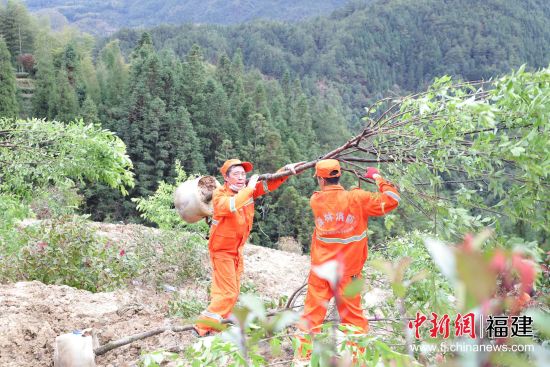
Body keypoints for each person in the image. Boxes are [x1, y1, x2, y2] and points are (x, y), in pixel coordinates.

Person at [297, 159, 400, 356]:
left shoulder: (316, 200)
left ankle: (302, 358)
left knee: (311, 317)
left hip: (321, 272)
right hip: (348, 274)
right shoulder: (357, 198)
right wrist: (377, 177)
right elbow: (392, 199)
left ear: (320, 179)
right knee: (353, 321)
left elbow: (335, 200)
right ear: (339, 176)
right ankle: (356, 359)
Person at [194, 158, 300, 336]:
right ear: (226, 178)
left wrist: (287, 170)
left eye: (243, 174)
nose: (241, 177)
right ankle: (202, 327)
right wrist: (249, 188)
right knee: (228, 292)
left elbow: (269, 184)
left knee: (227, 291)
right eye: (236, 174)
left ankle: (218, 324)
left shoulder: (246, 191)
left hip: (236, 251)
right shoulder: (220, 194)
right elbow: (230, 205)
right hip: (222, 251)